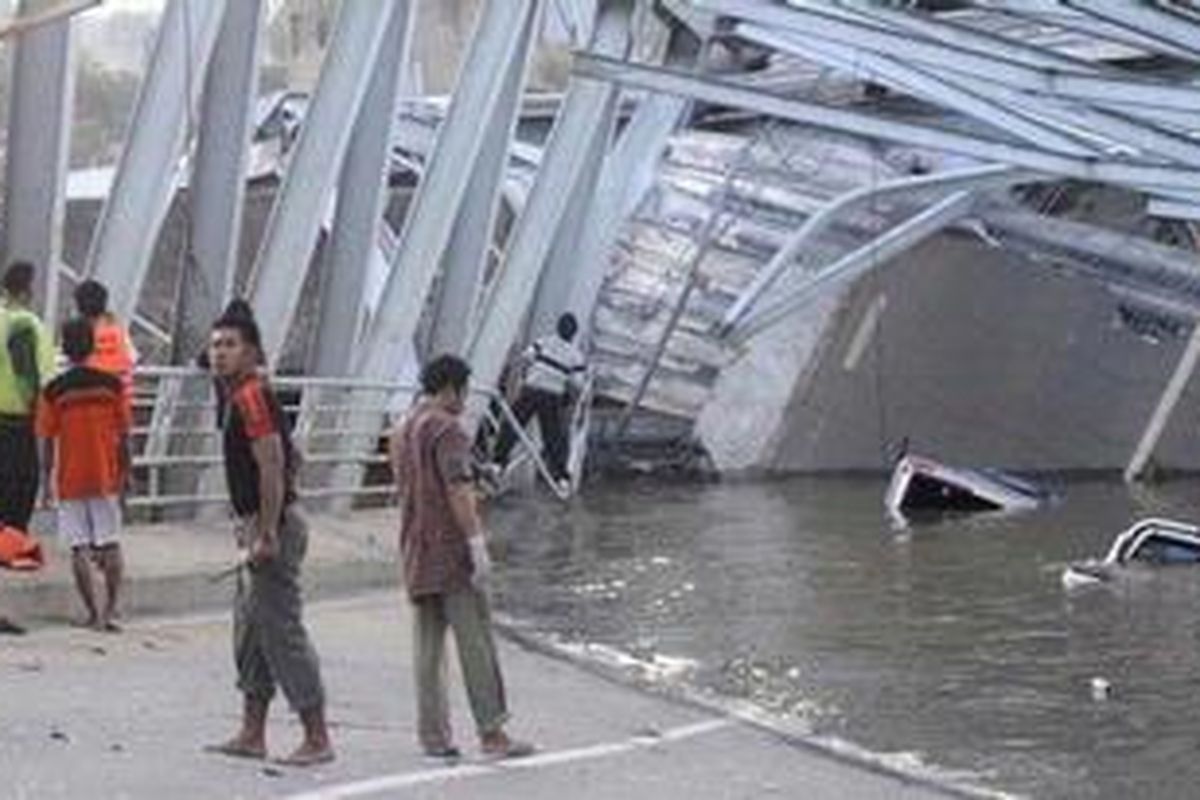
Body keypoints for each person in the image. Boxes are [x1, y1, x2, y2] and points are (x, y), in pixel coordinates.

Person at [204, 310, 334, 767]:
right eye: (216, 344)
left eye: (230, 344)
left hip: (269, 527)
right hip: (257, 523)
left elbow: (275, 464)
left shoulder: (252, 397)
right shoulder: (240, 395)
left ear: (253, 351)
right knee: (251, 631)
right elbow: (293, 454)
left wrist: (266, 530)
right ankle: (252, 732)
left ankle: (317, 736)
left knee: (281, 630)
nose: (220, 352)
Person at [390, 354, 534, 761]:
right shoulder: (447, 429)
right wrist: (476, 544)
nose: (465, 401)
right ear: (451, 388)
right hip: (450, 551)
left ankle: (433, 736)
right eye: (464, 392)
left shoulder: (402, 428)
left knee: (428, 646)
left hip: (415, 547)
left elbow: (412, 487)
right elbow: (457, 490)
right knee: (475, 642)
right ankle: (492, 733)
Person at [37, 318, 131, 632]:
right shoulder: (112, 385)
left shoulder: (53, 391)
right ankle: (111, 610)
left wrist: (46, 480)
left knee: (78, 547)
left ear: (64, 348)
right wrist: (125, 474)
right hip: (106, 475)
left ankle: (92, 613)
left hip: (70, 478)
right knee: (110, 542)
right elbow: (125, 434)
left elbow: (48, 440)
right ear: (92, 346)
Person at [492, 313, 587, 490]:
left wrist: (524, 377)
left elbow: (525, 359)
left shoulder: (542, 343)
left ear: (557, 328)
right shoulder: (576, 356)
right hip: (552, 397)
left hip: (531, 390)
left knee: (512, 426)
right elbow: (577, 384)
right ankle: (560, 477)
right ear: (574, 334)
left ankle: (497, 463)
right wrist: (568, 399)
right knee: (553, 437)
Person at [0, 261, 57, 534]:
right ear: (25, 292)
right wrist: (37, 408)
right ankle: (13, 540)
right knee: (22, 480)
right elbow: (30, 377)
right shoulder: (26, 325)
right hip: (19, 417)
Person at [74, 279, 138, 415]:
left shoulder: (78, 335)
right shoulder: (119, 333)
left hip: (87, 409)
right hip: (118, 409)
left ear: (79, 307)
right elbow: (133, 359)